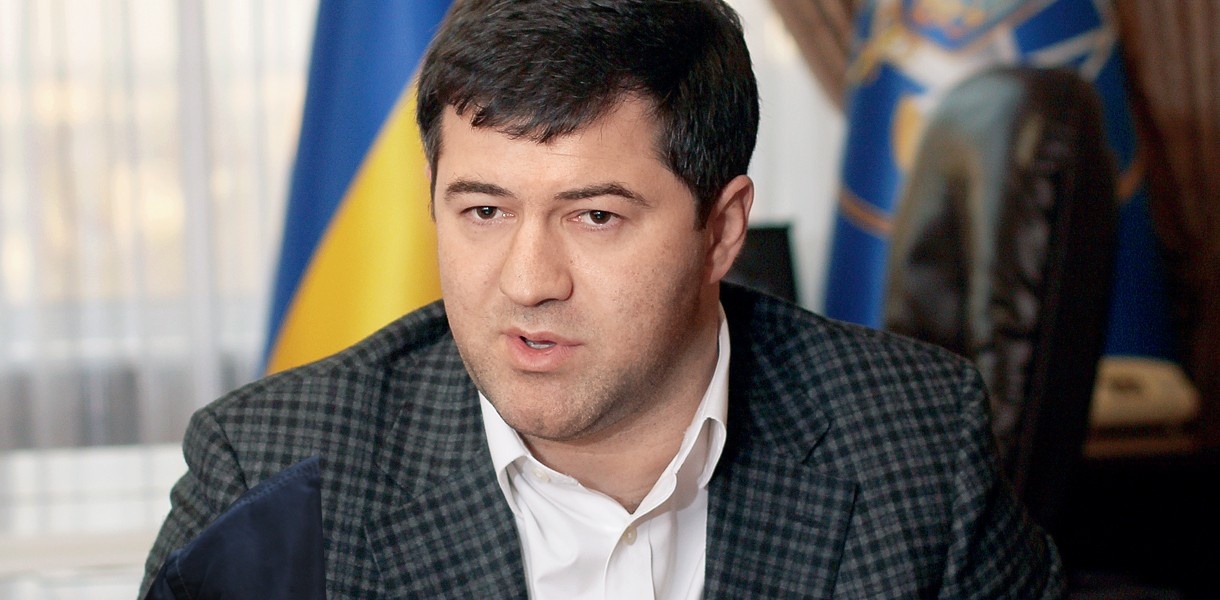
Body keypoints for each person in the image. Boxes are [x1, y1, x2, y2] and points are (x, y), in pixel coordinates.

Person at [141, 0, 1063, 597]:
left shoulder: (917, 446)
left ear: (722, 230)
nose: (528, 282)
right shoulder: (272, 476)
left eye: (594, 216)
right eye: (484, 210)